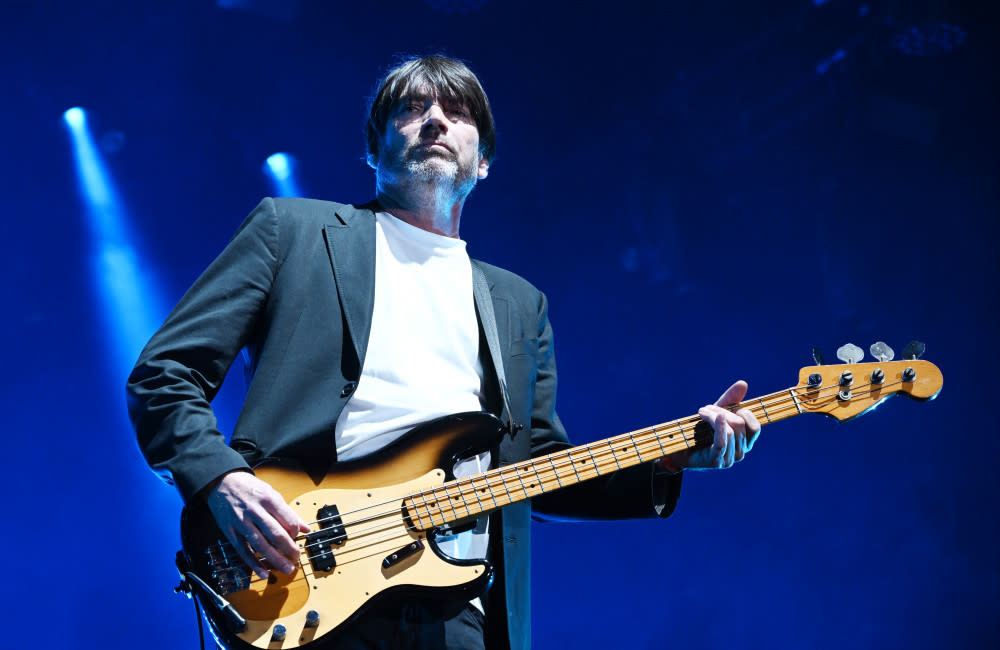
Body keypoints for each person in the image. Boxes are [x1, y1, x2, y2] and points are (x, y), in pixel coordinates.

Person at [127, 55, 760, 650]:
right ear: (374, 149)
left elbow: (536, 469)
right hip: (298, 570)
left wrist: (676, 460)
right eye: (410, 109)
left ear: (483, 161)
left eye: (457, 113)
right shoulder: (292, 231)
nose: (434, 120)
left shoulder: (518, 303)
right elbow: (165, 372)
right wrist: (219, 477)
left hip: (458, 609)